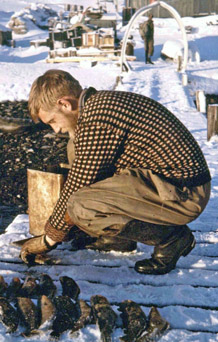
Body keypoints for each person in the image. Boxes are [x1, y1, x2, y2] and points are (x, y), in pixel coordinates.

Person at [20, 69, 211, 275]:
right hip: (167, 182)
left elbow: (78, 185)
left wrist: (49, 239)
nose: (55, 130)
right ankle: (117, 238)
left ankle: (171, 238)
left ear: (65, 104)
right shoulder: (97, 105)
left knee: (81, 205)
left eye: (52, 121)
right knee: (75, 146)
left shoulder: (99, 118)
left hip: (184, 193)